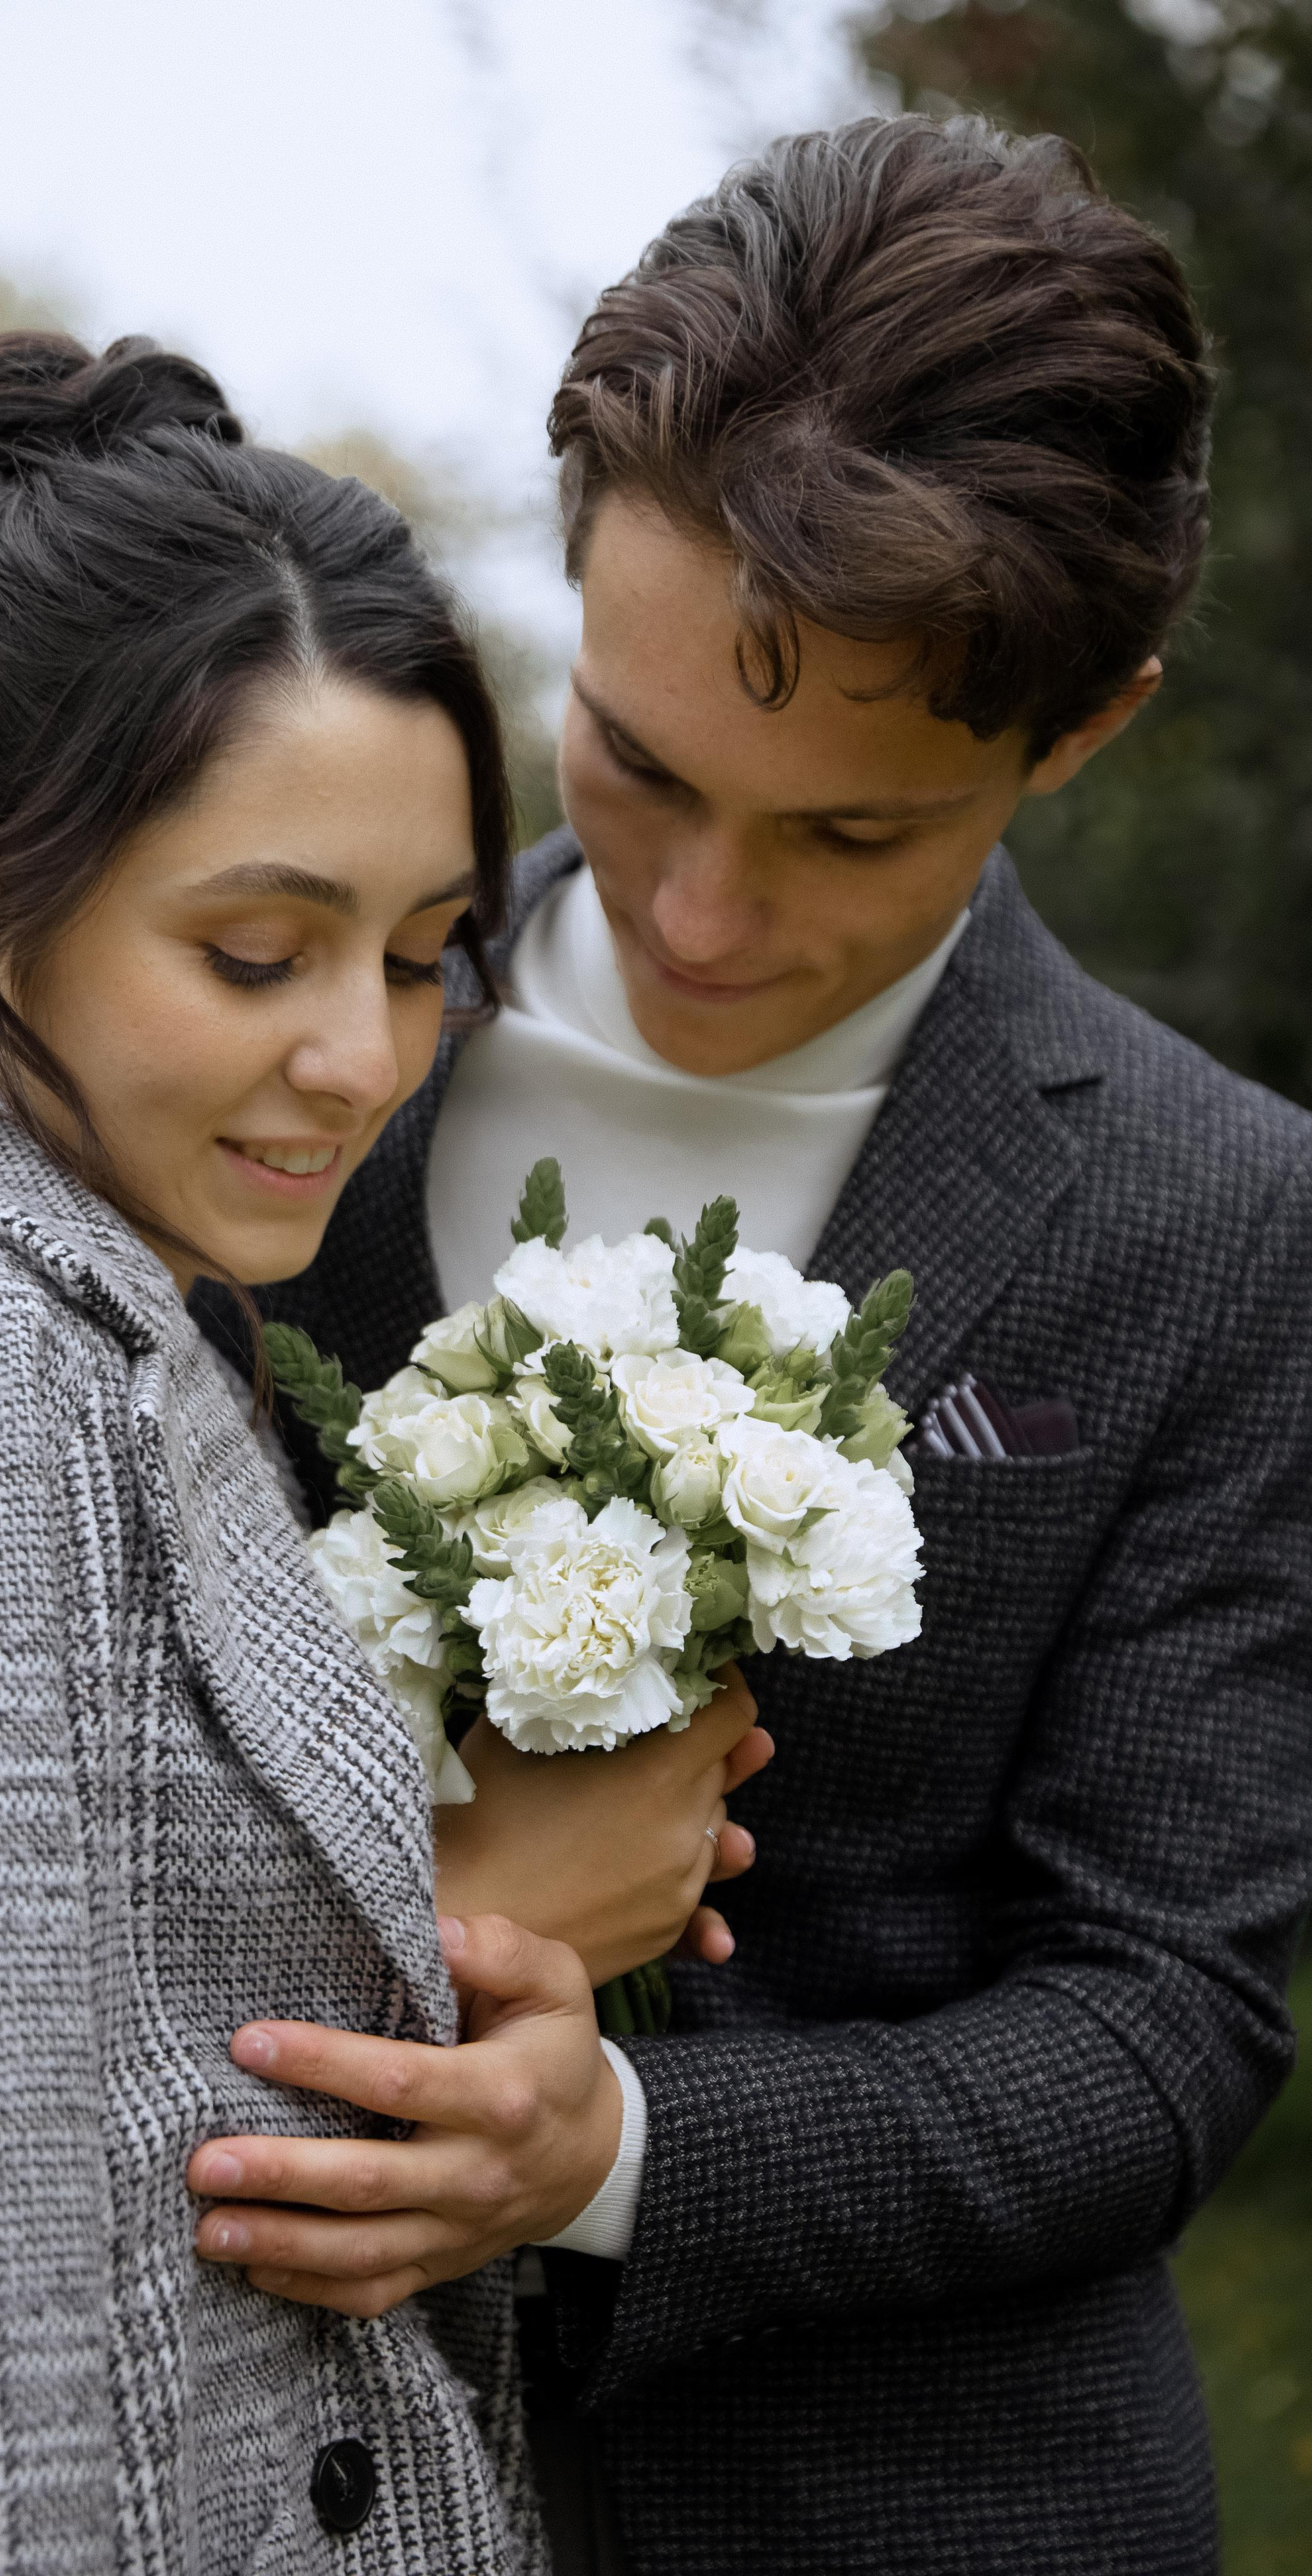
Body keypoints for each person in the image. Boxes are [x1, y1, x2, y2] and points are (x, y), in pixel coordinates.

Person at [188, 117, 1312, 2576]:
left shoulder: (1225, 1223)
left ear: (1083, 731)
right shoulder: (256, 1061)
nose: (705, 910)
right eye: (643, 757)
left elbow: (1162, 2019)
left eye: (854, 834)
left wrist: (624, 2162)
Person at [0, 331, 769, 2573]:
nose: (358, 1060)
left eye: (427, 957)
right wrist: (488, 1924)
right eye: (254, 953)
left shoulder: (104, 1302)